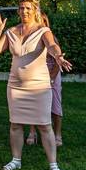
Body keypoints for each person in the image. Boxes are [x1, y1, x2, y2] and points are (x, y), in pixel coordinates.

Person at [0, 0, 72, 170]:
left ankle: (53, 165)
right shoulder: (11, 31)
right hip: (15, 86)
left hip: (39, 86)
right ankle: (16, 160)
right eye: (21, 8)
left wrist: (58, 56)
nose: (24, 11)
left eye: (28, 8)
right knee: (15, 124)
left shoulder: (43, 30)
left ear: (35, 10)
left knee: (44, 126)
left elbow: (52, 46)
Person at [25, 13, 63, 147]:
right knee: (33, 105)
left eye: (43, 22)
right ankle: (32, 132)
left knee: (55, 106)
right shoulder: (30, 40)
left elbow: (58, 62)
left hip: (52, 75)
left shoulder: (52, 39)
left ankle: (57, 134)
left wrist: (51, 79)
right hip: (35, 75)